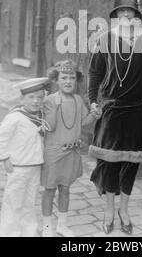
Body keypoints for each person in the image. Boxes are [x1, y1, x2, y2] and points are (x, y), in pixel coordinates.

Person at [88, 0, 142, 235]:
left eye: (129, 11)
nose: (125, 15)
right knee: (109, 162)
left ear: (136, 14)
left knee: (130, 163)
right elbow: (95, 73)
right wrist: (92, 100)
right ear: (115, 15)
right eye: (121, 11)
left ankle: (124, 210)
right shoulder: (105, 38)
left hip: (137, 109)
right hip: (111, 108)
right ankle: (109, 210)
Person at [41, 60, 99, 237]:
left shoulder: (78, 99)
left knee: (65, 189)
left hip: (71, 153)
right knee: (50, 190)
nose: (68, 81)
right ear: (56, 80)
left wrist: (94, 115)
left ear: (76, 80)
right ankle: (47, 226)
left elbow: (83, 123)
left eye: (72, 78)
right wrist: (54, 106)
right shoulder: (50, 100)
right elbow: (49, 126)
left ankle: (62, 225)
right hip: (54, 153)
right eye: (64, 78)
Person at [0, 77, 49, 237]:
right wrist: (4, 158)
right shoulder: (15, 117)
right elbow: (1, 139)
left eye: (39, 97)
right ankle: (10, 232)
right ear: (22, 98)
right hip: (18, 167)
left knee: (29, 201)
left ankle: (29, 231)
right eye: (31, 97)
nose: (36, 101)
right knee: (13, 202)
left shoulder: (41, 115)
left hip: (35, 165)